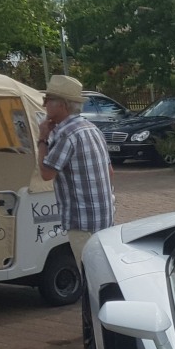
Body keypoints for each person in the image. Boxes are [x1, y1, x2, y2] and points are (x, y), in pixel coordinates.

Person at [37, 74, 115, 267]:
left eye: (48, 100)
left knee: (89, 276)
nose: (44, 104)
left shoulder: (65, 134)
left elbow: (46, 174)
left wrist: (42, 139)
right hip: (104, 217)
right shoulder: (91, 129)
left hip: (81, 222)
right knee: (103, 273)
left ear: (62, 105)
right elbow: (110, 172)